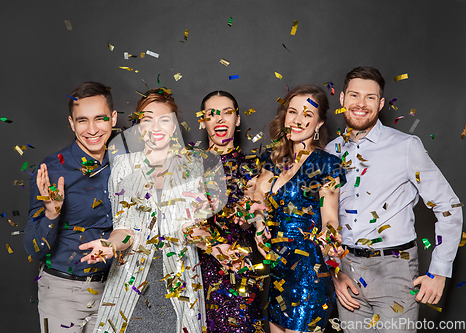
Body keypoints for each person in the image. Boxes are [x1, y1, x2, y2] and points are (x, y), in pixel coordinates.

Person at [325, 66, 463, 332]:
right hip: (347, 272)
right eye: (354, 95)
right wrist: (334, 272)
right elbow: (326, 219)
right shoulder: (332, 151)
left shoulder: (405, 146)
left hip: (395, 270)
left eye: (370, 97)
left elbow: (449, 206)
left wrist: (439, 271)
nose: (361, 104)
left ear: (381, 103)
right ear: (342, 99)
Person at [79, 88, 221, 333]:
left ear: (174, 124)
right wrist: (110, 245)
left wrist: (216, 245)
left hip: (180, 281)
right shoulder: (124, 166)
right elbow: (123, 228)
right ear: (139, 126)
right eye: (147, 119)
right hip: (131, 285)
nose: (156, 127)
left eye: (164, 119)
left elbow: (193, 228)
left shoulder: (192, 166)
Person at [23, 81, 117, 332]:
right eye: (83, 120)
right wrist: (51, 212)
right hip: (63, 294)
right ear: (72, 123)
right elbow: (32, 248)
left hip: (114, 292)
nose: (93, 129)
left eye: (100, 118)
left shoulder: (126, 163)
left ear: (113, 119)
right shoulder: (52, 170)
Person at [253, 84, 345, 333]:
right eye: (292, 112)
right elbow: (257, 200)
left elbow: (330, 218)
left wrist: (330, 239)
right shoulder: (273, 160)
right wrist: (260, 225)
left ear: (318, 123)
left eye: (307, 114)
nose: (297, 120)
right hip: (279, 272)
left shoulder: (327, 164)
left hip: (309, 274)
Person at [194, 91, 264, 332]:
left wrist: (253, 217)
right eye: (212, 115)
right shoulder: (188, 169)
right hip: (197, 274)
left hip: (239, 272)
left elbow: (263, 221)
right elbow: (181, 222)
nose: (220, 120)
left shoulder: (254, 169)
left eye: (227, 113)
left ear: (238, 119)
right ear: (202, 122)